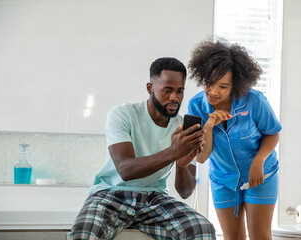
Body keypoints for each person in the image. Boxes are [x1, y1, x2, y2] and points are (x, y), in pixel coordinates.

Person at [67, 57, 216, 240]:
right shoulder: (123, 114)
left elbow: (185, 192)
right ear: (150, 88)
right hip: (111, 194)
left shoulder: (182, 130)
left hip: (154, 198)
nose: (174, 98)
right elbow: (126, 170)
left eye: (180, 91)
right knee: (84, 233)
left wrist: (182, 164)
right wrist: (174, 152)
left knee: (202, 229)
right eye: (167, 90)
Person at [187, 38, 282, 240]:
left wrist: (259, 161)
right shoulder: (196, 107)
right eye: (209, 84)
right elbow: (201, 158)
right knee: (233, 238)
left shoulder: (254, 101)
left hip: (261, 175)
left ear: (235, 85)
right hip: (223, 180)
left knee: (260, 236)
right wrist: (209, 127)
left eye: (223, 86)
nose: (213, 92)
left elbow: (272, 133)